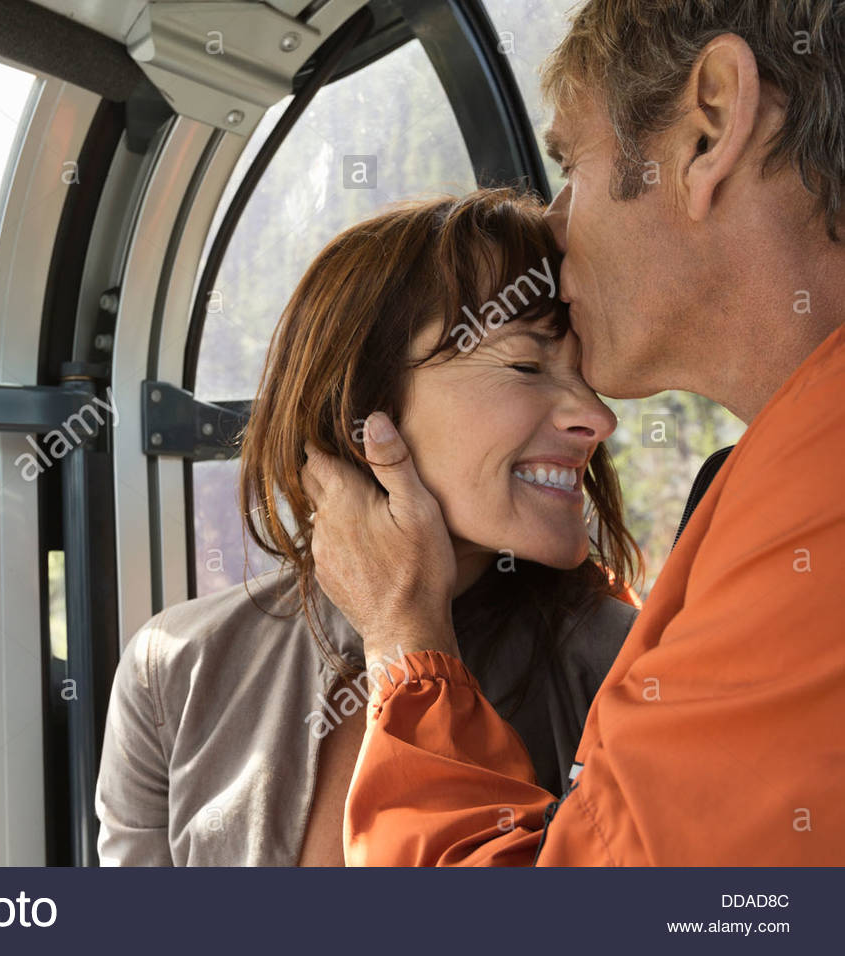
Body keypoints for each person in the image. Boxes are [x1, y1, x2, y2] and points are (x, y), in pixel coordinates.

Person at [303, 0, 845, 865]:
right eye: (520, 364)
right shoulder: (778, 482)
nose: (554, 227)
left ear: (709, 126)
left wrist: (407, 650)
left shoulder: (813, 512)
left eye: (573, 167)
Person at [94, 189, 642, 866]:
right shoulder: (175, 668)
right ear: (364, 408)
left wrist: (405, 632)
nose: (598, 417)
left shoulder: (637, 672)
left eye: (586, 374)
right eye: (527, 364)